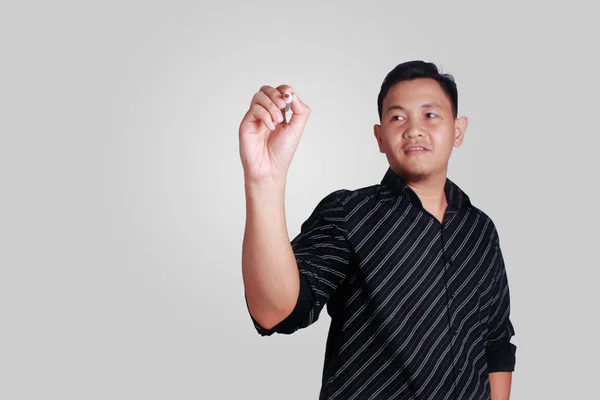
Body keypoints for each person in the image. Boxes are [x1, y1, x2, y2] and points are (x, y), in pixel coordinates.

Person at [239, 60, 517, 400]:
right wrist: (264, 179)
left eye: (430, 115)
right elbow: (276, 311)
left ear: (458, 131)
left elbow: (496, 342)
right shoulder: (349, 214)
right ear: (379, 136)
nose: (414, 129)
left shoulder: (480, 230)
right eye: (398, 117)